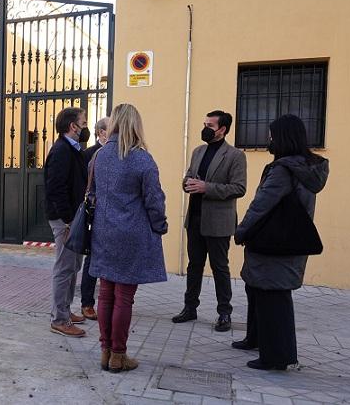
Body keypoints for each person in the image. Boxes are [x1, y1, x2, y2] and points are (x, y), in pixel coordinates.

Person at [233, 114, 329, 370]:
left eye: (272, 135)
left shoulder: (283, 170)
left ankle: (275, 357)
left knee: (272, 297)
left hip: (272, 242)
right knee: (260, 291)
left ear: (283, 137)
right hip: (289, 240)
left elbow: (261, 205)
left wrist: (242, 230)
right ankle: (256, 339)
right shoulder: (307, 168)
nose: (269, 139)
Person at [89, 103, 168, 372]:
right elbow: (154, 200)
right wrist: (160, 225)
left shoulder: (100, 156)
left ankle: (105, 351)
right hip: (132, 233)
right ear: (136, 125)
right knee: (124, 297)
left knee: (106, 294)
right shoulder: (142, 159)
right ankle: (119, 355)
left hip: (103, 231)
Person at [172, 110, 247, 332]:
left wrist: (207, 187)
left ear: (222, 129)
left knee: (219, 268)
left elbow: (239, 188)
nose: (205, 128)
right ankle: (189, 308)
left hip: (218, 222)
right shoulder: (198, 151)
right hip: (194, 218)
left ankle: (224, 313)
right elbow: (187, 177)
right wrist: (187, 183)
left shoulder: (235, 155)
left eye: (210, 126)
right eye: (204, 124)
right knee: (194, 266)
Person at [44, 107, 90, 337]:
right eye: (83, 122)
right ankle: (59, 319)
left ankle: (65, 310)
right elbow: (55, 188)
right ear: (73, 126)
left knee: (74, 266)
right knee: (64, 267)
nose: (85, 127)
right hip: (66, 219)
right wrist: (69, 219)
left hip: (74, 218)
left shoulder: (73, 149)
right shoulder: (61, 150)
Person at [79, 116, 109, 321]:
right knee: (92, 258)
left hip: (112, 216)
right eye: (111, 128)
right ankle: (87, 303)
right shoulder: (89, 154)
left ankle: (110, 301)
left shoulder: (119, 154)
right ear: (101, 132)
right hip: (95, 213)